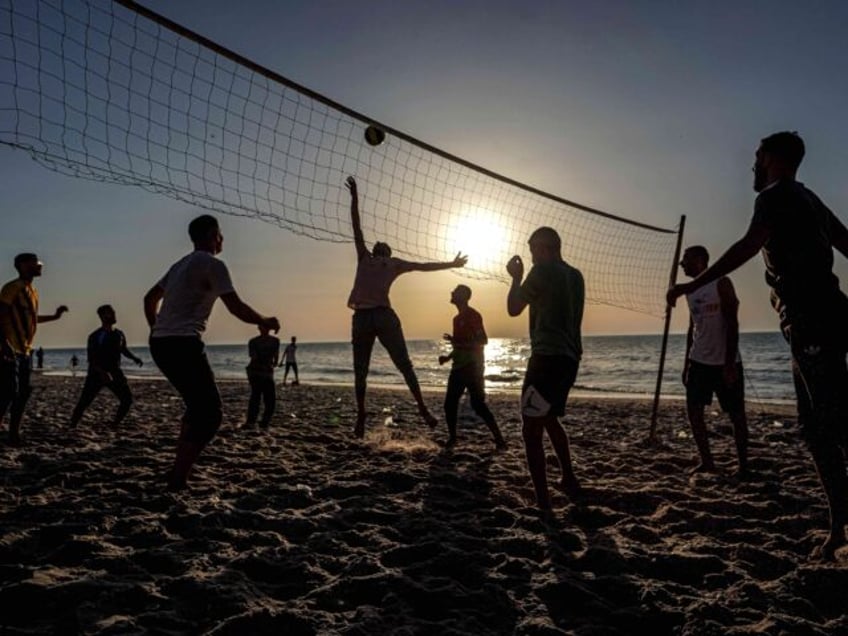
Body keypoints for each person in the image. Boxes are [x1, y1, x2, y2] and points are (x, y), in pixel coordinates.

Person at [667, 131, 848, 560]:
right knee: (813, 427)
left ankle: (841, 523)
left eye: (756, 156)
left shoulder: (774, 197)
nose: (752, 164)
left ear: (771, 157)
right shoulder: (809, 198)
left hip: (814, 321)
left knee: (834, 423)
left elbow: (747, 247)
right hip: (817, 321)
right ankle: (840, 525)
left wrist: (694, 283)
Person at [144, 214, 280, 491]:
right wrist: (264, 320)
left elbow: (149, 299)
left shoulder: (179, 265)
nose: (222, 239)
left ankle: (177, 472)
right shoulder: (213, 264)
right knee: (211, 414)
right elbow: (236, 308)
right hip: (183, 343)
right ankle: (177, 478)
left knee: (197, 407)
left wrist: (156, 328)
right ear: (211, 236)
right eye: (219, 234)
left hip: (161, 344)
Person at [345, 176, 467, 438]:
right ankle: (362, 414)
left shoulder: (390, 262)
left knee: (402, 365)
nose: (378, 245)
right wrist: (354, 197)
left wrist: (451, 264)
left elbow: (424, 267)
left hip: (376, 315)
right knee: (364, 370)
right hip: (367, 317)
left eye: (381, 246)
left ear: (386, 252)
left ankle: (422, 409)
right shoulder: (366, 257)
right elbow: (356, 227)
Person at [507, 227, 584, 510]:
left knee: (530, 429)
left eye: (533, 251)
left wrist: (515, 278)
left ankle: (543, 503)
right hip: (570, 358)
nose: (532, 257)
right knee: (549, 417)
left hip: (546, 358)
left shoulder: (542, 271)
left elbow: (514, 308)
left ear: (544, 248)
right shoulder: (575, 275)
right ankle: (568, 478)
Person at [679, 245, 749, 475]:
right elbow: (693, 328)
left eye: (686, 259)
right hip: (699, 361)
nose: (682, 264)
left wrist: (729, 364)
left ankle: (743, 466)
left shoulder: (721, 282)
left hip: (725, 362)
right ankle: (707, 462)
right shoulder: (691, 290)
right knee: (694, 411)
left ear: (700, 260)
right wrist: (686, 363)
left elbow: (733, 323)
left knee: (736, 414)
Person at [0, 253, 68, 445]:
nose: (40, 266)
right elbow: (1, 315)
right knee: (8, 393)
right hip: (9, 348)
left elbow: (30, 319)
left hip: (25, 351)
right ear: (22, 265)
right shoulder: (12, 288)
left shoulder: (33, 291)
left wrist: (55, 317)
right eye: (35, 263)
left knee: (22, 393)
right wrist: (4, 344)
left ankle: (14, 435)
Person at [438, 284, 506, 450]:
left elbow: (483, 341)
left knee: (478, 405)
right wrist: (448, 357)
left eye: (455, 291)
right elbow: (459, 345)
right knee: (450, 404)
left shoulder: (473, 315)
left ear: (463, 297)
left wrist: (457, 342)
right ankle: (453, 438)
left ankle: (499, 439)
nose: (451, 292)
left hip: (472, 367)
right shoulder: (456, 318)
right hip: (458, 366)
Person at [68, 305, 143, 429]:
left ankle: (114, 425)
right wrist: (102, 372)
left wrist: (134, 358)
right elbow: (91, 359)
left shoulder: (119, 334)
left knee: (127, 400)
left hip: (115, 372)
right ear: (102, 316)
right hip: (96, 374)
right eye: (110, 313)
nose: (114, 315)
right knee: (84, 402)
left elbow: (123, 349)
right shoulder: (95, 336)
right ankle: (72, 425)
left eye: (114, 312)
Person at [245, 324, 280, 429]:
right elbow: (275, 359)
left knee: (262, 397)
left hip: (260, 371)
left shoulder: (254, 341)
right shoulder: (272, 341)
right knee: (262, 397)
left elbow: (274, 358)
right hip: (259, 371)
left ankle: (258, 421)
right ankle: (258, 421)